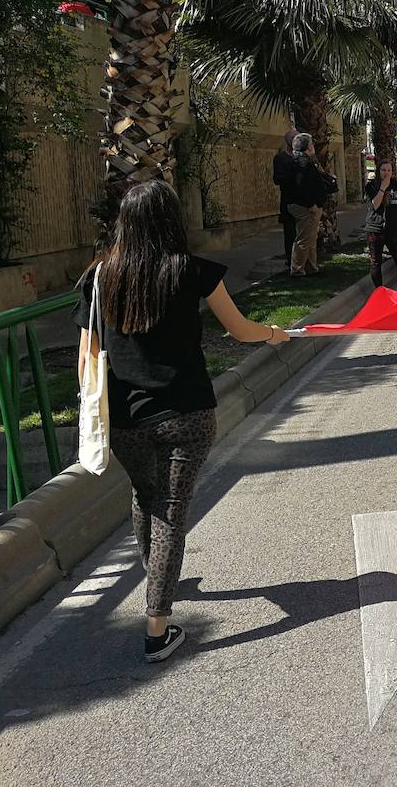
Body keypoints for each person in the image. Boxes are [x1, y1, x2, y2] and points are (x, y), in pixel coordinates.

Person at [74, 181, 289, 662]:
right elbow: (239, 329)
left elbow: (87, 358)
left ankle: (159, 577)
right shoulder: (190, 271)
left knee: (144, 497)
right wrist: (274, 334)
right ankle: (157, 628)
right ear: (171, 219)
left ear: (124, 223)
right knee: (170, 510)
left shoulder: (98, 278)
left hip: (126, 418)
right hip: (187, 413)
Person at [288, 133, 331, 276]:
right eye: (311, 144)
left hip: (308, 205)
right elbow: (302, 187)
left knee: (311, 238)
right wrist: (311, 205)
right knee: (304, 239)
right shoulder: (302, 163)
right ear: (306, 147)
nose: (313, 146)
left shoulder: (304, 161)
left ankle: (312, 267)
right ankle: (297, 270)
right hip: (306, 207)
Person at [365, 160, 397, 287]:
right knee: (375, 261)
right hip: (375, 227)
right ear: (378, 172)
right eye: (383, 170)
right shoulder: (371, 186)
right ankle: (379, 291)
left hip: (393, 228)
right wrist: (383, 187)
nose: (386, 173)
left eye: (389, 170)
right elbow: (375, 205)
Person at [272, 130, 298, 271]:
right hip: (289, 201)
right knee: (290, 233)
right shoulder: (280, 159)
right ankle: (291, 262)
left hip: (304, 202)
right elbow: (277, 179)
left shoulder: (305, 158)